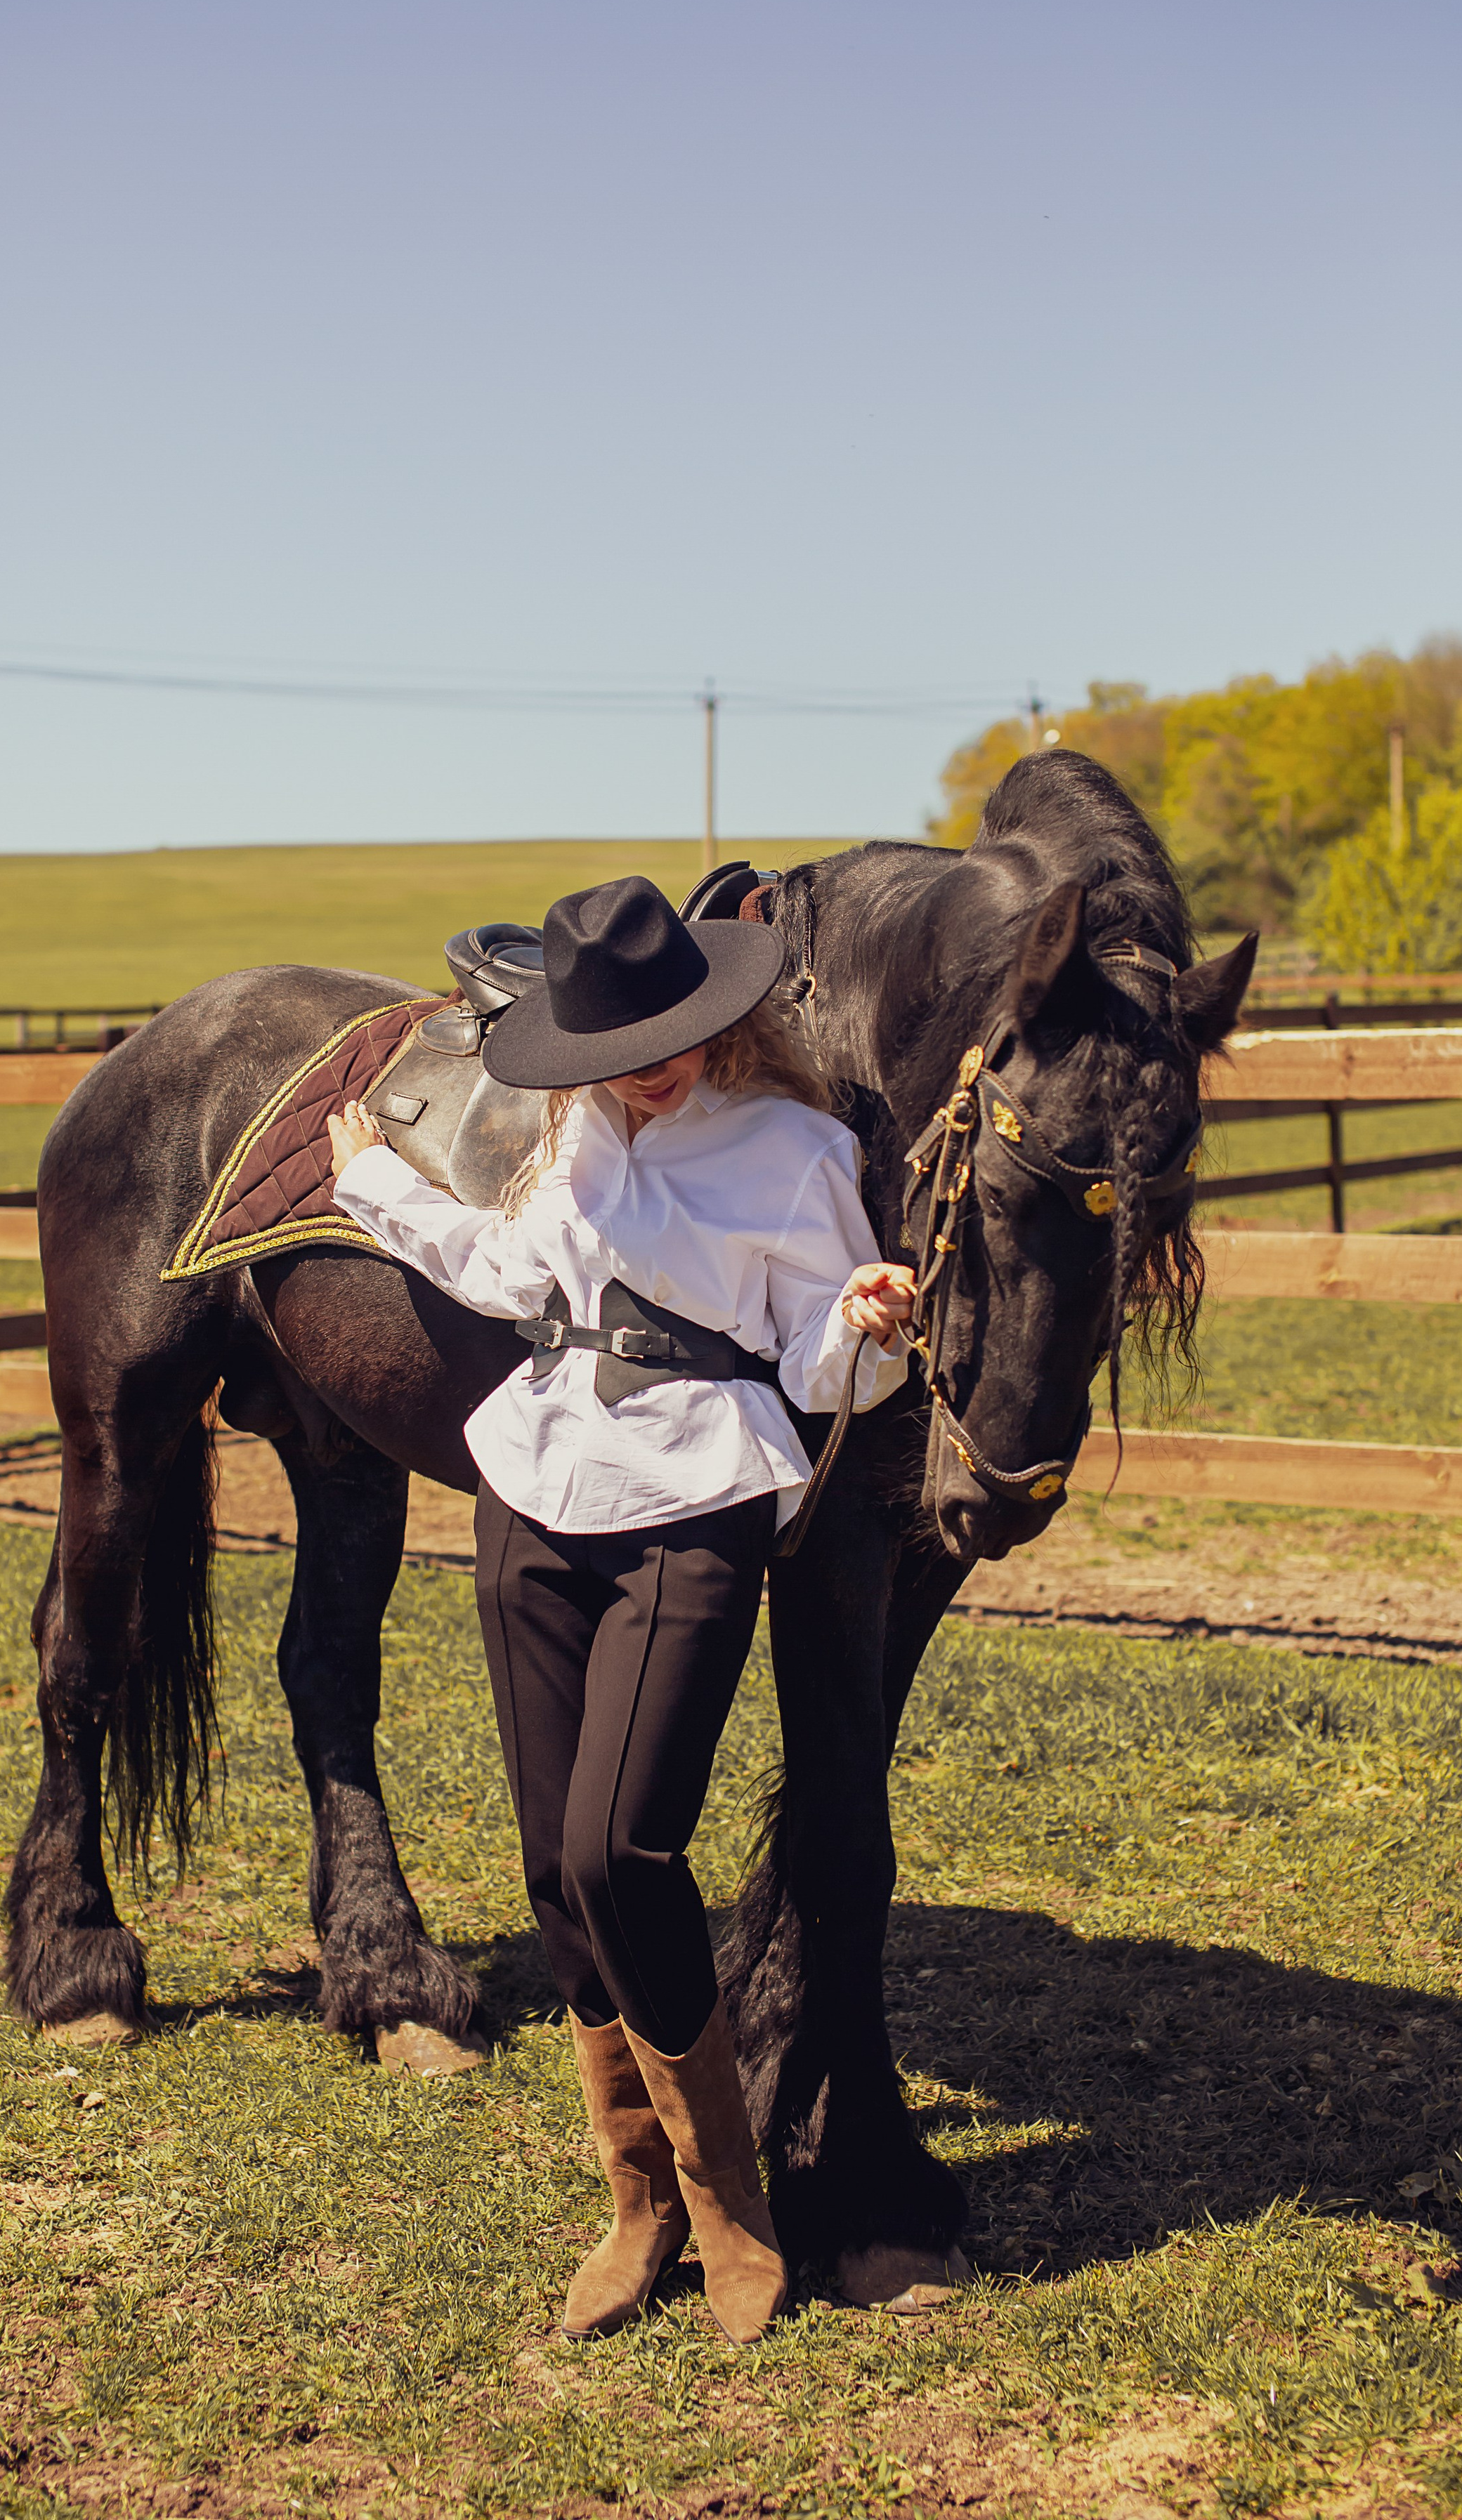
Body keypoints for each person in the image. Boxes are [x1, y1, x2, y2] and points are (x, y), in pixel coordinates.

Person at [327, 874, 915, 2345]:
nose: (644, 1068)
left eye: (667, 1036)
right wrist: (380, 1188)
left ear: (718, 1018)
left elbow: (816, 1367)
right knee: (551, 1864)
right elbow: (513, 1275)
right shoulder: (569, 1135)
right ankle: (635, 2202)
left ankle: (728, 2206)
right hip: (531, 1489)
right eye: (611, 1046)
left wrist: (859, 1328)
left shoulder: (793, 1151)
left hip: (694, 1496)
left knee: (622, 1846)